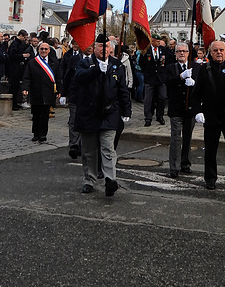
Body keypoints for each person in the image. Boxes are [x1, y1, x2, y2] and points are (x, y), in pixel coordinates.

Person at [74, 34, 131, 196]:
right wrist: (96, 70)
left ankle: (110, 180)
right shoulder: (85, 63)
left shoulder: (117, 65)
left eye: (106, 47)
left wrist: (126, 110)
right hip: (88, 113)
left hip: (109, 112)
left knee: (108, 148)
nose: (103, 50)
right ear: (95, 47)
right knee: (89, 151)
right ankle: (89, 180)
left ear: (111, 49)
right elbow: (79, 78)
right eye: (100, 46)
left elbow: (122, 90)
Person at [192, 39, 225, 195]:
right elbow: (196, 93)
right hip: (211, 115)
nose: (219, 53)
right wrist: (198, 111)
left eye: (221, 50)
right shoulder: (204, 69)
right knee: (210, 148)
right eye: (215, 50)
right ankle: (210, 179)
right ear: (211, 52)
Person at [165, 42, 200, 178]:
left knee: (188, 138)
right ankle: (174, 167)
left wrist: (194, 83)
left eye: (184, 51)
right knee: (175, 138)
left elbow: (200, 85)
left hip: (190, 108)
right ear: (175, 54)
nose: (181, 53)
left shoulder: (195, 67)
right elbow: (167, 82)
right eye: (179, 51)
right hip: (176, 108)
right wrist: (180, 77)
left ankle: (185, 164)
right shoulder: (170, 67)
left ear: (188, 53)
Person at [21, 41, 61, 142]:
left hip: (48, 92)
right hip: (36, 91)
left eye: (45, 49)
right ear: (38, 50)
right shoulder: (32, 62)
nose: (43, 51)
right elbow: (27, 77)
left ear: (49, 50)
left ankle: (43, 134)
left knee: (45, 115)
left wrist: (60, 91)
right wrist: (25, 88)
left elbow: (58, 77)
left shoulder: (54, 62)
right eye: (41, 49)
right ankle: (36, 133)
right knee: (36, 114)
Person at [60, 41, 93, 159]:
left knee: (85, 120)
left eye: (92, 46)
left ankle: (81, 144)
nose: (90, 48)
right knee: (74, 120)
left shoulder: (95, 61)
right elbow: (67, 76)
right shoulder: (75, 59)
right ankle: (73, 145)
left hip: (89, 96)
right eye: (87, 46)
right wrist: (63, 94)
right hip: (75, 95)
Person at [140, 33, 169, 126]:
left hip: (161, 78)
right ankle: (148, 118)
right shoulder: (146, 50)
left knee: (163, 97)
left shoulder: (163, 50)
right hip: (150, 78)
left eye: (159, 41)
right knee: (148, 99)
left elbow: (167, 62)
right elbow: (141, 63)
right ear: (152, 41)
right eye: (157, 41)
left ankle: (159, 115)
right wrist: (147, 72)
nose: (159, 42)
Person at [8, 29, 29, 110]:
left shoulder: (21, 43)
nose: (25, 39)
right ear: (20, 36)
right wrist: (22, 56)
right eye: (24, 38)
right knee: (13, 87)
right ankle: (12, 104)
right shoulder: (14, 44)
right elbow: (12, 56)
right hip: (14, 69)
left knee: (17, 87)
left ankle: (16, 102)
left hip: (19, 68)